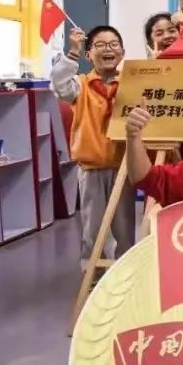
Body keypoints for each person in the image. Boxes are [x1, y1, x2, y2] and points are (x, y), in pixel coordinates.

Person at [51, 25, 134, 268]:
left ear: (122, 52)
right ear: (89, 55)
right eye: (100, 45)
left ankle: (126, 273)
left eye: (113, 44)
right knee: (92, 228)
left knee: (125, 228)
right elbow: (59, 84)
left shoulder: (131, 84)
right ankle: (93, 276)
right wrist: (72, 52)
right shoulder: (81, 85)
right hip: (91, 168)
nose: (108, 49)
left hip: (123, 168)